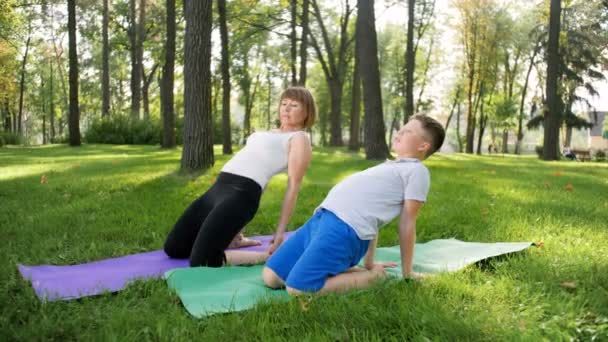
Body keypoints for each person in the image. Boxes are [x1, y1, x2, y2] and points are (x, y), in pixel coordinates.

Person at [262, 114, 445, 294]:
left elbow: (408, 222)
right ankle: (355, 270)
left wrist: (408, 272)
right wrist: (369, 262)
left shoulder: (416, 171)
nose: (400, 132)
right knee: (272, 277)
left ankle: (374, 278)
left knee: (297, 288)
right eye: (402, 128)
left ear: (423, 145)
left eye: (408, 131)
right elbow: (371, 214)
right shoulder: (389, 166)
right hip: (320, 220)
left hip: (343, 230)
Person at [164, 86, 316, 267]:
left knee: (202, 261)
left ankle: (269, 258)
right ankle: (234, 240)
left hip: (241, 195)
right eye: (283, 103)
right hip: (218, 189)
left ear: (307, 112)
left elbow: (293, 186)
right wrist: (237, 230)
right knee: (174, 248)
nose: (286, 108)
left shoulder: (299, 138)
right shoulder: (268, 133)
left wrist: (280, 232)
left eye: (294, 105)